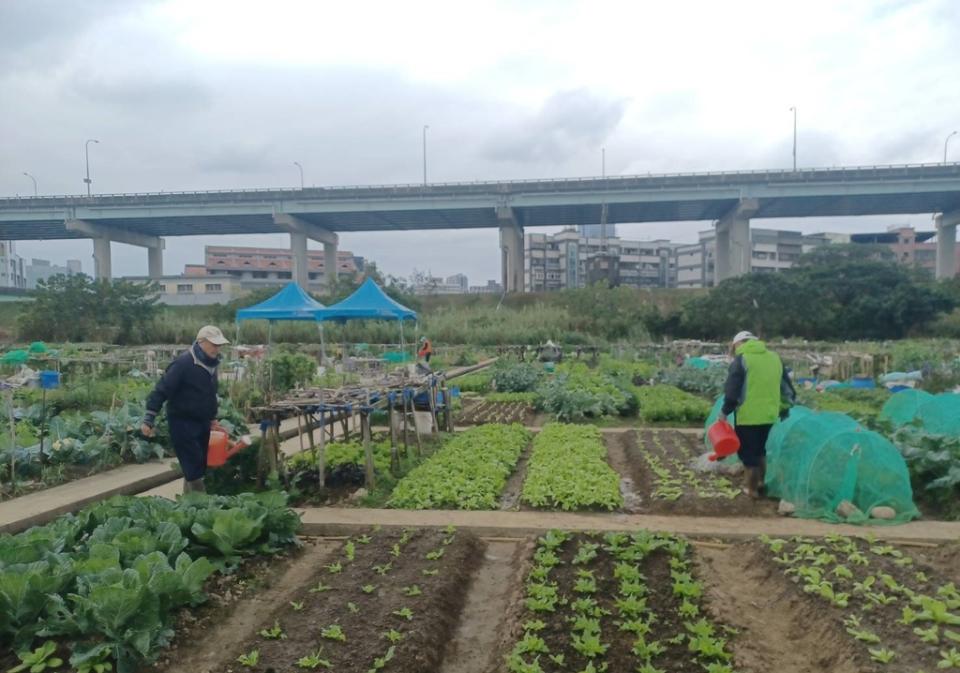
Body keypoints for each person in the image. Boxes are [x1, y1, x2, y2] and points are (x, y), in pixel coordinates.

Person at [141, 325, 230, 493]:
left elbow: (210, 394)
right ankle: (200, 501)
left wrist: (212, 419)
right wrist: (149, 418)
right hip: (182, 421)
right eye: (214, 344)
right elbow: (162, 389)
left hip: (202, 422)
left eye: (219, 345)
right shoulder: (184, 363)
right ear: (201, 342)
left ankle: (188, 504)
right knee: (193, 463)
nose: (217, 349)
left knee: (198, 463)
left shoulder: (212, 365)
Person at [719, 330, 795, 499]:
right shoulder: (774, 358)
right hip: (768, 415)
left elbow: (732, 390)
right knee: (760, 450)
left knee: (747, 453)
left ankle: (751, 489)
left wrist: (725, 411)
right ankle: (760, 483)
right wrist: (784, 408)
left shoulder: (742, 360)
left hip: (748, 416)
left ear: (738, 344)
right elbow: (786, 388)